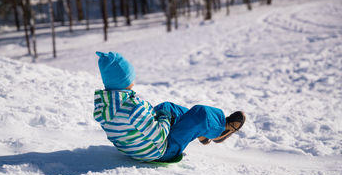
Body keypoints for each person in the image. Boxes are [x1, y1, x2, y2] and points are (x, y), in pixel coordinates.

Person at [93, 51, 245, 162]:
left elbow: (130, 124)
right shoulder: (130, 107)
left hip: (135, 148)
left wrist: (160, 116)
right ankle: (218, 131)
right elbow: (158, 135)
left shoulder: (106, 105)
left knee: (167, 106)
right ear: (123, 80)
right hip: (160, 150)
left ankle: (203, 131)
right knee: (201, 113)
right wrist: (164, 119)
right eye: (130, 76)